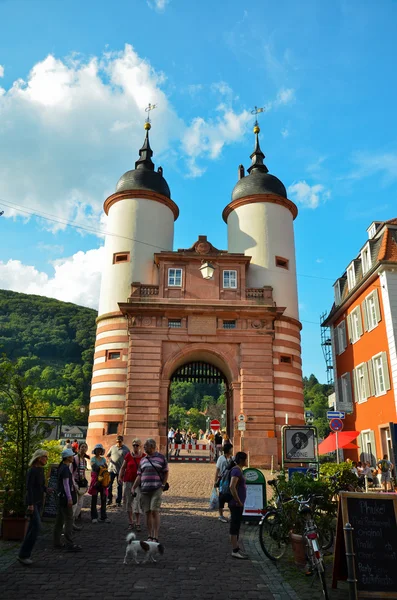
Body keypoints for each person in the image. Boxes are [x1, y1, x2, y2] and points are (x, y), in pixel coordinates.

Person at [132, 438, 168, 542]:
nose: (144, 448)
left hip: (156, 488)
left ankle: (155, 535)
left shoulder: (161, 458)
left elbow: (166, 472)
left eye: (146, 446)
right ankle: (150, 535)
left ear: (152, 447)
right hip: (144, 489)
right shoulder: (143, 460)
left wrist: (163, 485)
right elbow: (139, 475)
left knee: (154, 510)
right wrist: (134, 487)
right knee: (147, 512)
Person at [18, 449, 49, 565]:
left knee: (33, 528)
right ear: (39, 458)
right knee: (36, 527)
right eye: (45, 457)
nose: (46, 459)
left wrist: (46, 489)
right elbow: (29, 488)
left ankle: (24, 554)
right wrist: (30, 504)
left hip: (38, 501)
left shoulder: (40, 470)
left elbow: (40, 485)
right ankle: (23, 554)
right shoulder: (33, 471)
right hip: (33, 502)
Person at [53, 448, 82, 552]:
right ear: (68, 457)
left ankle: (56, 541)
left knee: (59, 520)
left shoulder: (61, 467)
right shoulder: (65, 469)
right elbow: (66, 485)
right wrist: (70, 498)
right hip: (65, 498)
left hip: (60, 497)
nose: (72, 457)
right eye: (71, 456)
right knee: (69, 519)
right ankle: (69, 543)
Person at [119, 438, 146, 531]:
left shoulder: (144, 456)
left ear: (140, 446)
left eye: (137, 445)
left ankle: (138, 522)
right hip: (128, 481)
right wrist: (120, 477)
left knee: (138, 501)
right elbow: (123, 467)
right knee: (128, 502)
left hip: (138, 482)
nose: (135, 447)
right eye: (134, 445)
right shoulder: (128, 456)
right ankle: (131, 522)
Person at [229, 451, 248, 559]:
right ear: (242, 460)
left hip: (237, 503)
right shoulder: (236, 470)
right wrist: (239, 501)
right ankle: (235, 550)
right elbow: (232, 486)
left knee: (236, 526)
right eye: (245, 459)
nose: (246, 461)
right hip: (236, 504)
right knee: (234, 526)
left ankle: (236, 547)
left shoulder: (238, 469)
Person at [88, 444, 110, 523]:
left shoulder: (103, 459)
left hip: (103, 480)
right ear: (95, 451)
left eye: (100, 450)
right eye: (97, 449)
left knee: (103, 499)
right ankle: (94, 517)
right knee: (94, 499)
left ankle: (103, 516)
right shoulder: (93, 459)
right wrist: (102, 468)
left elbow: (105, 467)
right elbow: (95, 468)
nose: (98, 451)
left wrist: (102, 468)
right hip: (96, 480)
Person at [106, 435, 130, 506]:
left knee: (119, 486)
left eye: (120, 441)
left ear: (122, 441)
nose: (119, 443)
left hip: (121, 470)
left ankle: (118, 501)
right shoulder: (112, 448)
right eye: (117, 441)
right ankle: (109, 499)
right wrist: (109, 460)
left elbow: (129, 458)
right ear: (116, 441)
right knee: (109, 485)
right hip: (111, 469)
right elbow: (107, 455)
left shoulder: (126, 449)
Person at [214, 442, 233, 523]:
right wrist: (215, 481)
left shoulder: (232, 458)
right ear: (228, 450)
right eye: (231, 448)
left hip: (230, 480)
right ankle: (221, 515)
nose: (232, 450)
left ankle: (231, 514)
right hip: (222, 481)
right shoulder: (221, 458)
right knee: (221, 498)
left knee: (231, 498)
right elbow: (217, 470)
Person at [71, 442, 89, 528]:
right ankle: (69, 524)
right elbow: (70, 472)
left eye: (85, 447)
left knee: (79, 504)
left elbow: (83, 472)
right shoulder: (74, 459)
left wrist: (86, 483)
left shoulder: (84, 461)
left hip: (81, 484)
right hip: (75, 483)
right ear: (79, 448)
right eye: (82, 447)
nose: (83, 448)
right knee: (74, 505)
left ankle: (73, 522)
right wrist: (73, 484)